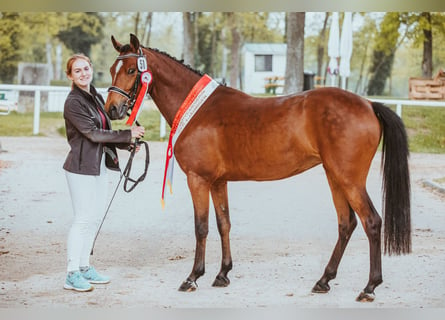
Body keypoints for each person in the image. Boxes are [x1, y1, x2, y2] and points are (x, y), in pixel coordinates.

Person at [62, 53, 145, 292]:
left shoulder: (95, 96)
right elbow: (93, 134)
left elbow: (104, 130)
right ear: (70, 76)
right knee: (82, 219)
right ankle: (71, 272)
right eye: (77, 71)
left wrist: (127, 144)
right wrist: (128, 134)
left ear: (91, 69)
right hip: (80, 168)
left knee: (94, 219)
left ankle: (85, 267)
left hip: (98, 166)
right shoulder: (73, 102)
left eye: (86, 68)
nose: (83, 73)